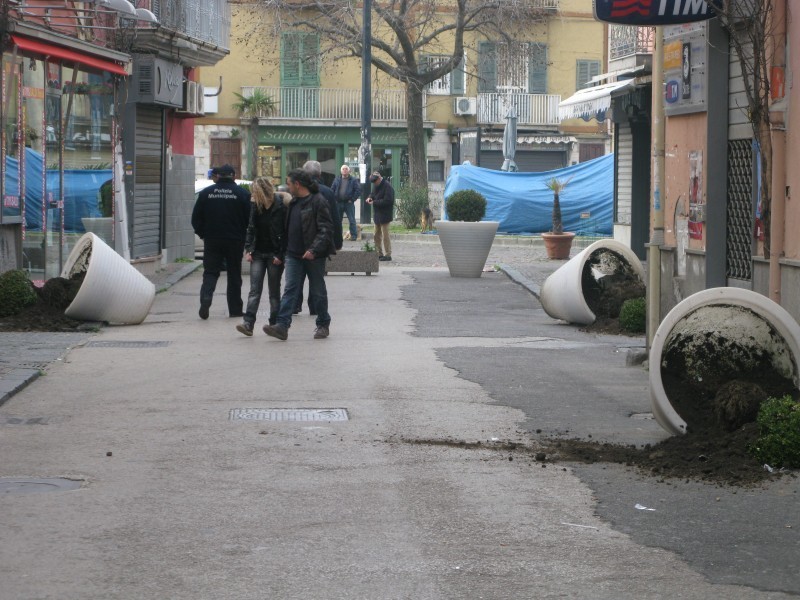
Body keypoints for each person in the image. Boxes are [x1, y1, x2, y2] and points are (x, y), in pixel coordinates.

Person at [263, 169, 335, 341]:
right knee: (290, 290)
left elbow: (326, 229)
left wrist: (313, 250)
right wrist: (281, 252)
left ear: (297, 184)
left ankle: (323, 324)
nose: (287, 187)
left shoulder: (318, 201)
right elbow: (287, 231)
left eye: (288, 183)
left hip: (313, 256)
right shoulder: (293, 202)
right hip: (293, 255)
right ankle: (282, 326)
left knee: (317, 291)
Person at [191, 164, 251, 319]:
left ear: (218, 176)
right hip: (235, 240)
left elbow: (196, 218)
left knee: (210, 272)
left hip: (212, 239)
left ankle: (206, 298)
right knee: (234, 274)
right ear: (233, 176)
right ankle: (235, 309)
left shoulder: (206, 193)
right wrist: (244, 237)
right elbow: (249, 220)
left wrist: (203, 234)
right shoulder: (242, 194)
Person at [235, 177, 288, 337]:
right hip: (258, 252)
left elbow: (286, 232)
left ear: (262, 192)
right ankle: (248, 323)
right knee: (254, 290)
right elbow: (251, 227)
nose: (253, 196)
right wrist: (249, 249)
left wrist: (280, 254)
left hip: (274, 253)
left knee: (274, 291)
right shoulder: (256, 205)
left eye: (255, 193)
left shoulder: (281, 205)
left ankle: (274, 324)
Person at [294, 160, 343, 315]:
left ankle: (295, 305)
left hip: (299, 241)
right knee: (317, 278)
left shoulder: (298, 190)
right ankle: (314, 307)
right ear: (320, 174)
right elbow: (335, 219)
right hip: (320, 243)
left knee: (297, 277)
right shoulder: (327, 192)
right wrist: (337, 241)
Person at [366, 171, 395, 261]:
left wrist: (374, 202)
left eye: (375, 181)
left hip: (385, 214)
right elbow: (373, 194)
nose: (374, 183)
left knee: (385, 235)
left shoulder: (387, 186)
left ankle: (388, 254)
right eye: (373, 182)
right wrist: (370, 197)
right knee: (376, 235)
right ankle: (378, 253)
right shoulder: (376, 185)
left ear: (379, 178)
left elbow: (388, 201)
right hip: (377, 214)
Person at [330, 164, 361, 241]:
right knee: (338, 220)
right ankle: (338, 236)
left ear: (349, 170)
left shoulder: (353, 180)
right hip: (338, 203)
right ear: (341, 171)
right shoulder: (337, 179)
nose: (344, 170)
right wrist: (334, 199)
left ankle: (353, 236)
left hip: (349, 203)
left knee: (352, 220)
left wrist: (352, 199)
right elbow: (332, 189)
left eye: (346, 169)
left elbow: (358, 190)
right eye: (343, 169)